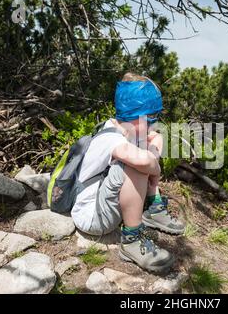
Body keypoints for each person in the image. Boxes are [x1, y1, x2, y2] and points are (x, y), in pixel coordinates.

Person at [71, 72, 185, 273]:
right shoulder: (111, 139)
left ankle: (153, 208)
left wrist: (151, 160)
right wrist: (155, 169)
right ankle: (131, 240)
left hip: (104, 204)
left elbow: (156, 139)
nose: (153, 123)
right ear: (134, 116)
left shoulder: (126, 130)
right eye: (150, 118)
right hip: (92, 217)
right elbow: (143, 161)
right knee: (137, 163)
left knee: (148, 148)